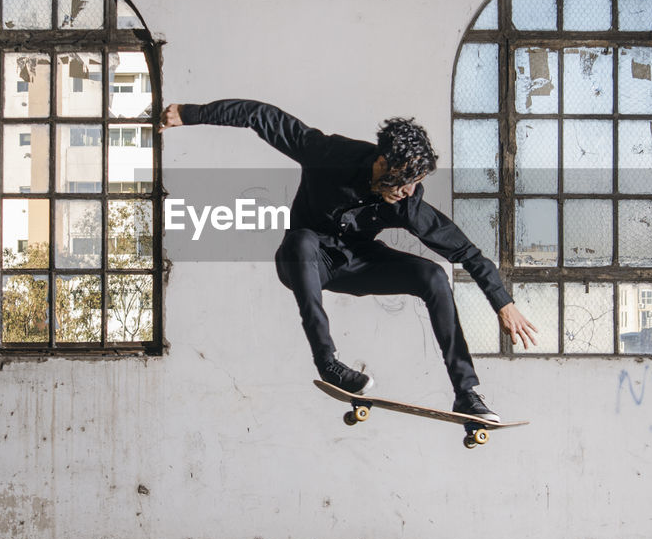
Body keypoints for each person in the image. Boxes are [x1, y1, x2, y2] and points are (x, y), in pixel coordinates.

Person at [160, 99, 538, 422]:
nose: (409, 192)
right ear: (383, 161)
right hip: (303, 262)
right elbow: (258, 115)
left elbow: (465, 251)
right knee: (303, 240)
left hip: (358, 264)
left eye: (415, 184)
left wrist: (502, 303)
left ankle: (466, 392)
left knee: (434, 275)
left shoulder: (407, 202)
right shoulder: (325, 152)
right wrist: (190, 114)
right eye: (404, 181)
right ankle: (329, 363)